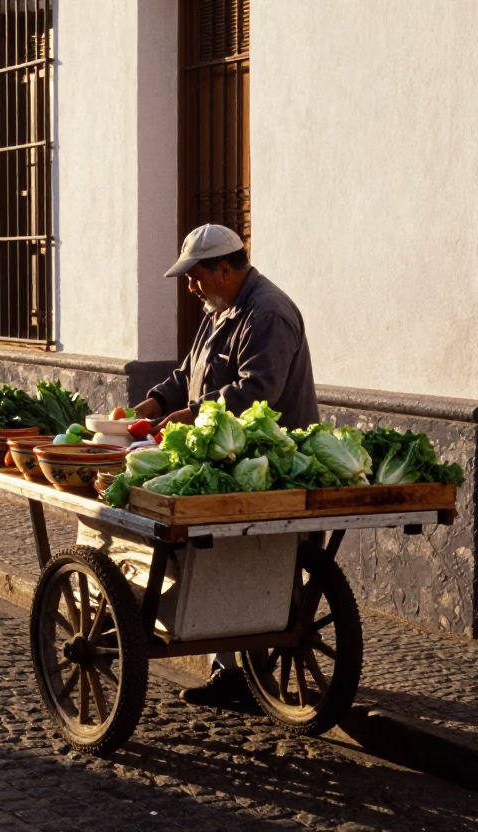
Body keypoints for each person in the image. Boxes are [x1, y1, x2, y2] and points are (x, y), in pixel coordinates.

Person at [131, 223, 320, 707]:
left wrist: (192, 414)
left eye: (194, 277)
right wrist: (152, 405)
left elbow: (256, 391)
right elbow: (187, 374)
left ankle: (241, 665)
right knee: (215, 560)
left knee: (248, 563)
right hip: (223, 458)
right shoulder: (219, 309)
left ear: (222, 269)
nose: (190, 287)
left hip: (268, 464)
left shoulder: (269, 314)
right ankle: (229, 668)